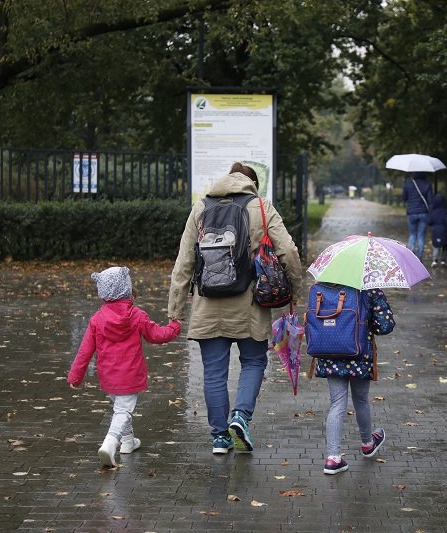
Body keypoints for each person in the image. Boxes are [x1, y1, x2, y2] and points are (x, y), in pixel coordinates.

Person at [167, 163, 302, 455]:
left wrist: (175, 310)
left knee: (214, 372)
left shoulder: (200, 207)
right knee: (253, 362)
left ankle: (219, 438)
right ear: (251, 183)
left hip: (207, 305)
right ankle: (240, 417)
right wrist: (296, 290)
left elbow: (184, 262)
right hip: (249, 304)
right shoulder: (261, 207)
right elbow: (288, 251)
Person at [68, 266, 181, 467]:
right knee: (123, 411)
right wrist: (174, 327)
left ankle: (128, 442)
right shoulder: (136, 315)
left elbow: (85, 351)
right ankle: (110, 443)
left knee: (120, 407)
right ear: (126, 288)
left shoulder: (97, 319)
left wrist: (75, 376)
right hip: (129, 375)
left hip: (108, 376)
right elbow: (156, 335)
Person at [312, 287, 395, 474]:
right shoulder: (369, 289)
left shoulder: (323, 287)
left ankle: (333, 459)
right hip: (358, 354)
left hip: (329, 351)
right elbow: (385, 326)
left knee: (336, 404)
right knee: (361, 400)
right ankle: (367, 443)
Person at [402, 172, 434, 262]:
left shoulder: (408, 183)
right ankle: (419, 257)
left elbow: (404, 198)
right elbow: (430, 200)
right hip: (423, 212)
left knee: (412, 234)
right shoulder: (427, 184)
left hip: (411, 212)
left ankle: (411, 255)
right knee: (421, 235)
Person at [428, 193, 447, 268]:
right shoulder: (446, 212)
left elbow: (429, 222)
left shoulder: (433, 212)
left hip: (435, 231)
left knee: (436, 246)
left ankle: (434, 261)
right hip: (444, 232)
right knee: (445, 246)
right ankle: (443, 261)